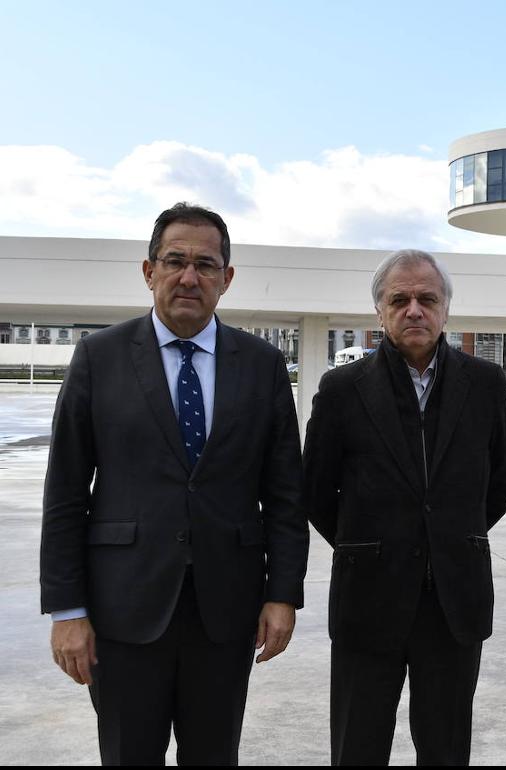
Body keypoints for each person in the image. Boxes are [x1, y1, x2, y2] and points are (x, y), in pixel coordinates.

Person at [39, 202, 308, 765]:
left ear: (226, 279)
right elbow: (65, 492)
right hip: (122, 609)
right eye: (175, 261)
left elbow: (284, 495)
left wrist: (282, 594)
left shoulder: (261, 366)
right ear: (149, 271)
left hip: (227, 611)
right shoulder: (99, 357)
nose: (190, 277)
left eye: (206, 265)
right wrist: (67, 611)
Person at [302, 248, 506, 765]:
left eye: (427, 298)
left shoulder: (486, 386)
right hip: (368, 598)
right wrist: (369, 543)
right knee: (358, 747)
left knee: (445, 750)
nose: (414, 310)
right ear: (379, 312)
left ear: (446, 308)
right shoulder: (341, 390)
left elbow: (503, 477)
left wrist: (447, 536)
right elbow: (315, 489)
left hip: (454, 602)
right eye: (399, 300)